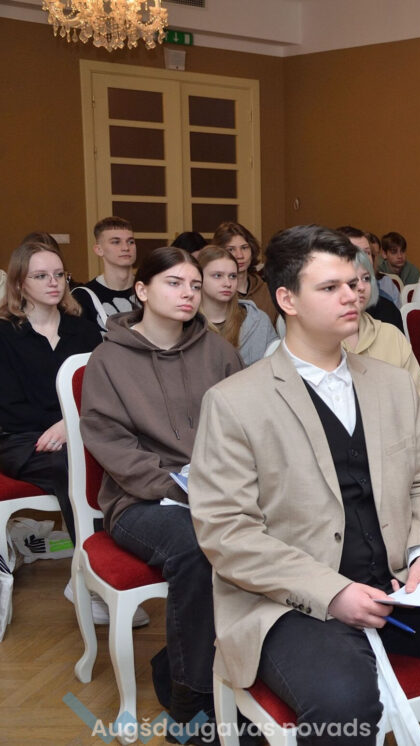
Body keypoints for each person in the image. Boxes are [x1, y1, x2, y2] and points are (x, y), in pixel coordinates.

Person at [189, 225, 420, 746]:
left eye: (353, 283)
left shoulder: (392, 384)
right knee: (344, 700)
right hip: (290, 602)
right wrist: (333, 593)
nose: (351, 296)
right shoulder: (235, 402)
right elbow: (227, 534)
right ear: (287, 300)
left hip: (402, 583)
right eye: (329, 288)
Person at [80, 247, 243, 742]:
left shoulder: (218, 352)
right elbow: (111, 444)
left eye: (194, 284)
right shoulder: (109, 359)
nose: (188, 293)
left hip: (216, 492)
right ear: (142, 290)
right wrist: (177, 488)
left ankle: (228, 676)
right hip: (139, 501)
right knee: (196, 548)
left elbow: (246, 425)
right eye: (174, 283)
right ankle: (191, 704)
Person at [0, 242, 109, 617]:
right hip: (20, 440)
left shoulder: (84, 331)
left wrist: (69, 426)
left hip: (78, 433)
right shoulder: (4, 334)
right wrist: (63, 430)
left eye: (59, 274)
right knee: (73, 467)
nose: (53, 282)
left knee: (111, 461)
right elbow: (11, 409)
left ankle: (113, 574)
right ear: (20, 283)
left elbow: (101, 392)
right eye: (41, 275)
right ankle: (91, 579)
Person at [345, 250, 420, 438]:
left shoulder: (390, 334)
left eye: (366, 278)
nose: (361, 287)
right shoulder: (320, 343)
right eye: (351, 281)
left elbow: (419, 396)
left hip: (404, 436)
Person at [197, 245, 279, 366]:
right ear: (199, 278)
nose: (227, 283)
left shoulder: (258, 320)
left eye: (232, 276)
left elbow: (277, 367)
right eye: (218, 275)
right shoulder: (186, 324)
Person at [72, 216, 138, 330]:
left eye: (130, 242)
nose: (126, 247)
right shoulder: (82, 296)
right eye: (116, 242)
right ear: (99, 250)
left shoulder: (150, 289)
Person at [213, 221, 278, 325]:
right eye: (231, 249)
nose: (240, 255)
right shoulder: (215, 292)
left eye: (244, 248)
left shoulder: (268, 291)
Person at [338, 227, 403, 327]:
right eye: (354, 252)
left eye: (367, 252)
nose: (363, 258)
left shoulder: (388, 310)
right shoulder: (326, 314)